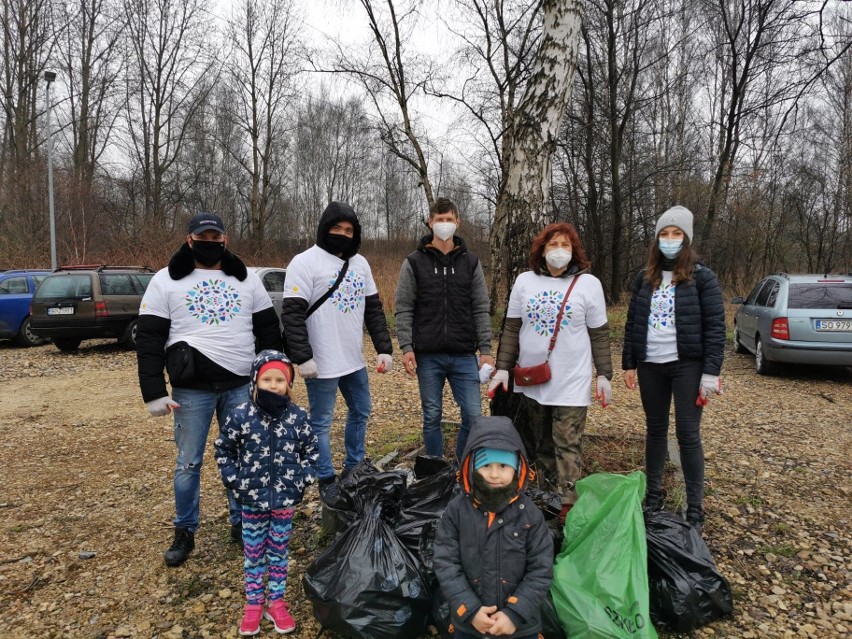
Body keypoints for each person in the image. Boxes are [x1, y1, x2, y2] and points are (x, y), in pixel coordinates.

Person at [136, 212, 282, 567]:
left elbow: (268, 331)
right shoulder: (165, 281)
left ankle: (241, 524)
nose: (211, 242)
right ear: (190, 239)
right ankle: (185, 531)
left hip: (238, 386)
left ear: (225, 240)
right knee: (188, 464)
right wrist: (153, 392)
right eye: (204, 237)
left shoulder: (246, 280)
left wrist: (276, 373)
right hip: (191, 390)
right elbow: (151, 340)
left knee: (242, 458)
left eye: (217, 237)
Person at [488, 222, 613, 525]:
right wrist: (503, 369)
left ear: (574, 252)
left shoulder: (588, 285)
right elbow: (512, 329)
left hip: (572, 379)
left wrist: (604, 374)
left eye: (565, 246)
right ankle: (545, 500)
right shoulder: (525, 282)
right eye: (553, 245)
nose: (559, 251)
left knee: (567, 442)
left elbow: (599, 334)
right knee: (542, 442)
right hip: (533, 380)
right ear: (542, 250)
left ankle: (568, 507)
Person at [622, 205, 725, 531]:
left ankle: (695, 508)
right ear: (657, 239)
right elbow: (633, 322)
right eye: (664, 234)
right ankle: (653, 496)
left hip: (687, 367)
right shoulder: (645, 278)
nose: (669, 239)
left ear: (686, 239)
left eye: (676, 234)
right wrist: (629, 363)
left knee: (688, 435)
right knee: (655, 431)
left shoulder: (703, 278)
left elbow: (716, 327)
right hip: (650, 366)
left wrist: (710, 372)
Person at [281, 201, 393, 496]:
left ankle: (355, 465)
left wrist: (384, 347)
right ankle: (326, 478)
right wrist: (302, 356)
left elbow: (374, 310)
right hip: (321, 362)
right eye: (336, 228)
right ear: (324, 228)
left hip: (353, 359)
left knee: (361, 410)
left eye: (348, 230)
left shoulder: (361, 264)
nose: (342, 234)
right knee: (321, 422)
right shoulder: (304, 262)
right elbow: (292, 314)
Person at [214, 350, 318, 636]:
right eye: (267, 379)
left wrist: (303, 478)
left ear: (288, 384)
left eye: (279, 380)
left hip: (284, 501)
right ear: (255, 382)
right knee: (254, 553)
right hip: (251, 500)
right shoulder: (240, 416)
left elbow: (311, 450)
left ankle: (276, 601)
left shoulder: (298, 417)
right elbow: (223, 449)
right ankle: (253, 604)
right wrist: (236, 481)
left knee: (279, 552)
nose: (273, 385)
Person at [433, 415, 553, 639]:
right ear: (471, 467)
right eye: (486, 465)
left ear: (517, 469)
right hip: (470, 626)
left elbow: (541, 569)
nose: (495, 474)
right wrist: (469, 610)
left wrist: (515, 613)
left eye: (503, 466)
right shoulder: (456, 511)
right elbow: (446, 563)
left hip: (520, 627)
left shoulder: (530, 515)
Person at [394, 197, 494, 461]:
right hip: (428, 355)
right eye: (439, 220)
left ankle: (461, 466)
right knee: (431, 415)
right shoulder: (413, 262)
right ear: (430, 222)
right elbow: (403, 307)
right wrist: (406, 347)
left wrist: (485, 349)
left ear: (457, 222)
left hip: (463, 354)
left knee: (473, 415)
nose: (444, 224)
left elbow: (481, 307)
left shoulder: (471, 263)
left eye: (449, 219)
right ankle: (436, 469)